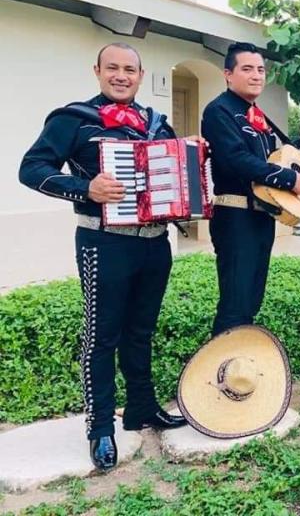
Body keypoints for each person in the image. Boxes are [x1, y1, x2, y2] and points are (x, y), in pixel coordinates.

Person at [18, 43, 187, 471]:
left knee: (141, 331)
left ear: (140, 74)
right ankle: (100, 429)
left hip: (155, 242)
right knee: (102, 335)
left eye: (129, 69)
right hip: (103, 241)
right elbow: (31, 168)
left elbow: (174, 175)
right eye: (112, 67)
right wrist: (84, 189)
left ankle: (142, 409)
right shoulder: (73, 120)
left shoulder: (157, 124)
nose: (121, 75)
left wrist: (190, 165)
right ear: (97, 71)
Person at [201, 42, 300, 336]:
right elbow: (236, 160)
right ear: (228, 74)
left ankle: (240, 362)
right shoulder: (219, 111)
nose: (256, 75)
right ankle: (219, 368)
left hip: (261, 217)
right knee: (235, 303)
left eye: (260, 70)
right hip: (235, 217)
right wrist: (289, 179)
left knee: (252, 299)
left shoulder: (257, 116)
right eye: (247, 69)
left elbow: (270, 161)